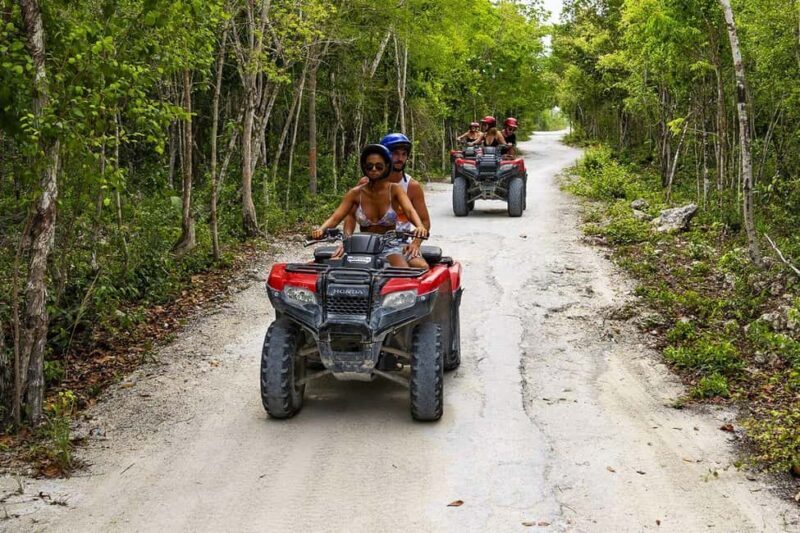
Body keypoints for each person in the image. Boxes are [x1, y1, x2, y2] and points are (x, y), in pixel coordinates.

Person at [312, 144, 427, 268]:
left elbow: (409, 211)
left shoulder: (395, 189)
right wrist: (321, 230)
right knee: (328, 270)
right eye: (369, 166)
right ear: (364, 168)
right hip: (360, 245)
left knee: (403, 272)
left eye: (379, 166)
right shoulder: (355, 193)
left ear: (387, 166)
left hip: (390, 246)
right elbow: (336, 218)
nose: (374, 169)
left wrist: (419, 227)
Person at [341, 133, 431, 269]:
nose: (400, 158)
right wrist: (347, 241)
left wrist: (415, 243)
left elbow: (424, 221)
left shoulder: (412, 187)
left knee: (420, 267)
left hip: (400, 243)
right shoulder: (365, 182)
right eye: (395, 154)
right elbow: (351, 215)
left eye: (404, 154)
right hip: (366, 242)